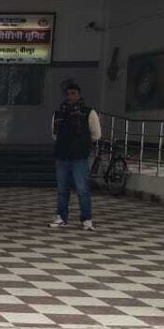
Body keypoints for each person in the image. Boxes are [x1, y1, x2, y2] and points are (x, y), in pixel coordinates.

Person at [49, 83, 101, 232]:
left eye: (73, 93)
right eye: (68, 93)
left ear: (79, 94)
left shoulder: (89, 112)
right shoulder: (59, 113)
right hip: (62, 155)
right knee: (62, 189)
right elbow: (54, 133)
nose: (70, 96)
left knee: (82, 189)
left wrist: (81, 143)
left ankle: (86, 219)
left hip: (79, 156)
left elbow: (96, 134)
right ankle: (61, 217)